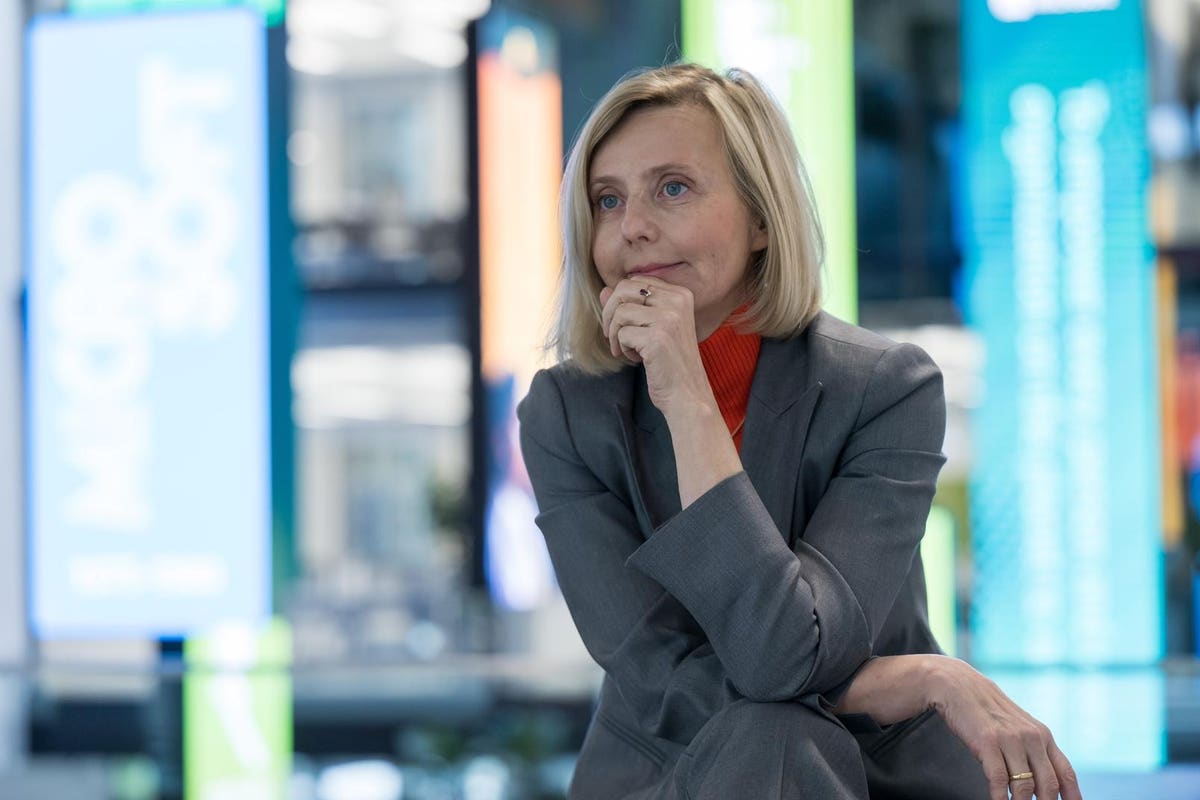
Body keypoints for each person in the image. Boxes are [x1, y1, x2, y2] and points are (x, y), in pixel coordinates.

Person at [517, 63, 1081, 800]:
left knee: (780, 735)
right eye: (607, 199)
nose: (633, 227)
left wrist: (688, 397)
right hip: (667, 771)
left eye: (673, 188)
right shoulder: (565, 414)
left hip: (873, 775)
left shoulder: (886, 389)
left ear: (761, 219)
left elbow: (787, 653)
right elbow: (665, 679)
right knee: (773, 734)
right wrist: (919, 678)